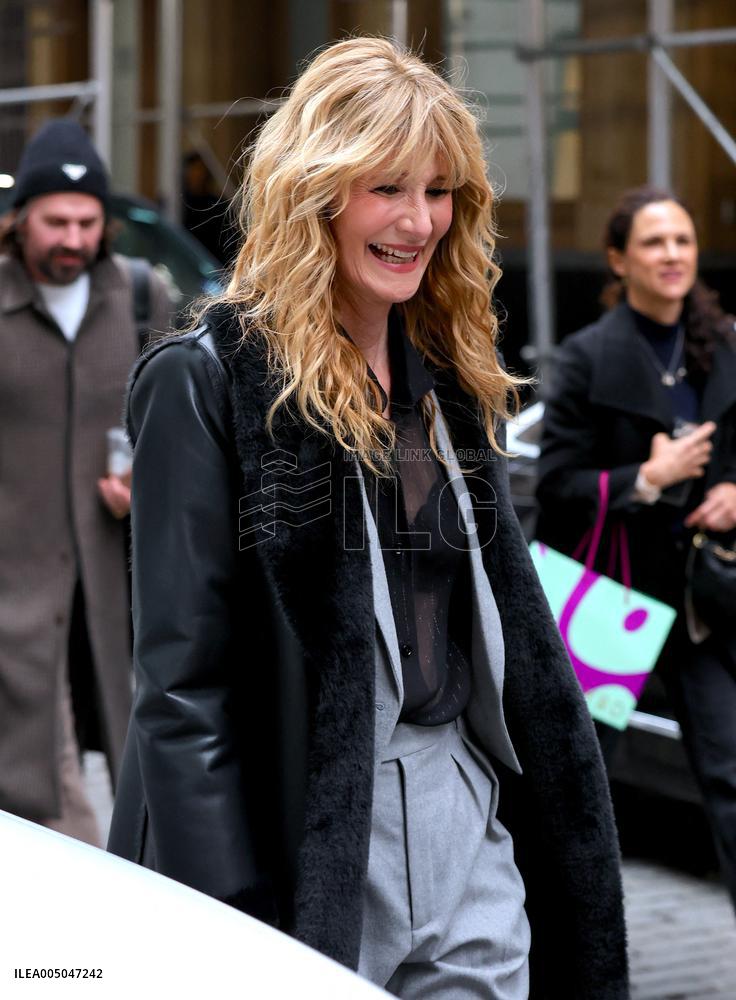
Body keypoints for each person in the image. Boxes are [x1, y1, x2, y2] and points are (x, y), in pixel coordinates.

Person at [108, 38, 627, 998]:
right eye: (387, 186)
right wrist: (234, 930)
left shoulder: (450, 381)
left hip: (463, 813)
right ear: (317, 192)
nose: (418, 220)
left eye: (439, 191)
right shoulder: (206, 380)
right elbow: (181, 694)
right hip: (313, 828)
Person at [536, 185, 736, 911]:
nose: (673, 255)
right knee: (580, 782)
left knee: (731, 773)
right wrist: (645, 479)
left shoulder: (725, 347)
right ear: (619, 260)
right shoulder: (588, 358)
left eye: (683, 240)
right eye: (654, 243)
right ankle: (570, 953)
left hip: (703, 598)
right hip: (610, 597)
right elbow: (556, 483)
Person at [0, 120, 171, 846]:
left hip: (116, 590)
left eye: (87, 222)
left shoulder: (139, 298)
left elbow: (176, 429)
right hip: (14, 593)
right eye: (55, 221)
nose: (71, 238)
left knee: (138, 768)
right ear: (20, 221)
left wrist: (148, 486)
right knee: (42, 787)